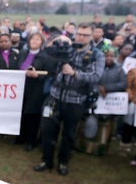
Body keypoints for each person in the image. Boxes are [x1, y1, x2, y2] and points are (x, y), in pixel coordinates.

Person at [34, 24, 104, 175]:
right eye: (79, 34)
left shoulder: (96, 54)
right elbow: (46, 51)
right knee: (48, 131)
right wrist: (56, 41)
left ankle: (63, 162)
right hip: (55, 96)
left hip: (76, 100)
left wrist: (75, 73)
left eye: (85, 35)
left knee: (68, 134)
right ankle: (46, 160)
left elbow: (96, 76)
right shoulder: (67, 48)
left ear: (92, 36)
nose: (81, 37)